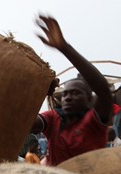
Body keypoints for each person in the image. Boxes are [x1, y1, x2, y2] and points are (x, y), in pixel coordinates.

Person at [30, 15, 113, 166]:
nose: (68, 98)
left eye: (76, 93)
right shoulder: (54, 118)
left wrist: (64, 48)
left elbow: (104, 91)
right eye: (65, 94)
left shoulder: (94, 121)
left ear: (89, 100)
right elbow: (30, 122)